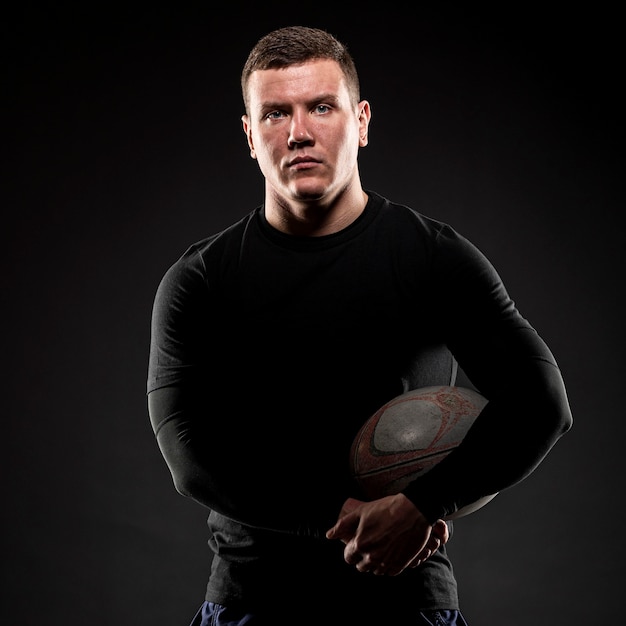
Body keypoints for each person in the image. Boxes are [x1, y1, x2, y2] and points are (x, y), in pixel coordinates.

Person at [147, 25, 572, 626]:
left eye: (321, 106)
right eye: (274, 114)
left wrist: (424, 504)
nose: (298, 132)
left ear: (362, 120)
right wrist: (343, 514)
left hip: (407, 600)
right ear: (248, 135)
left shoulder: (432, 257)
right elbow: (188, 454)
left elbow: (541, 403)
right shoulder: (201, 279)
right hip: (253, 598)